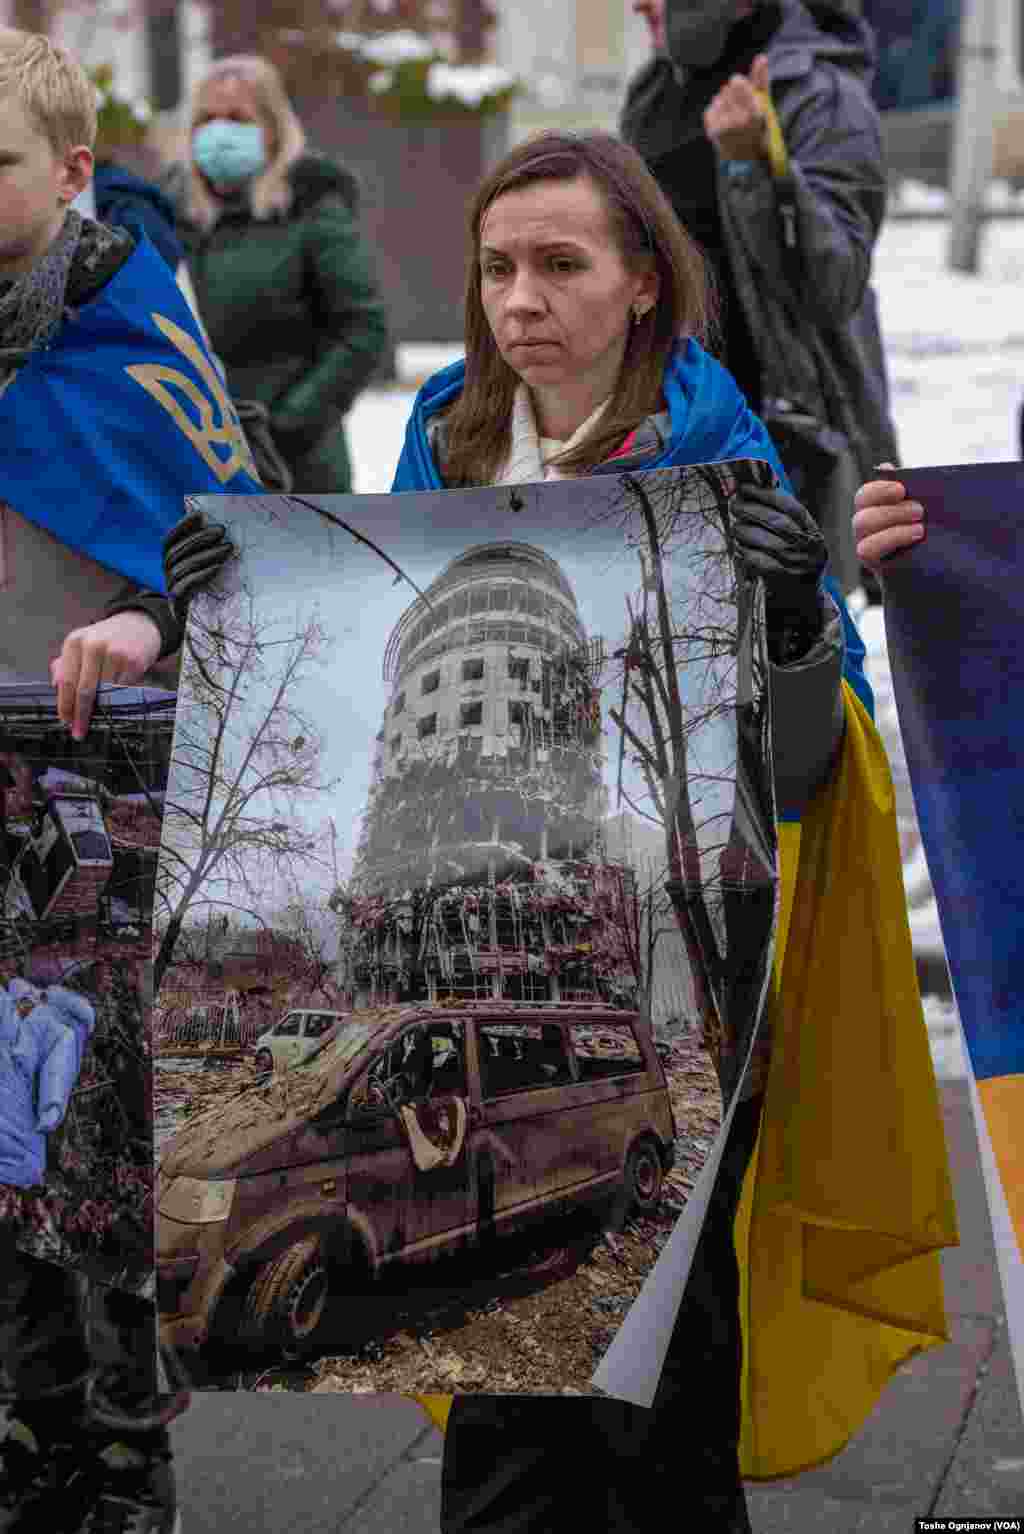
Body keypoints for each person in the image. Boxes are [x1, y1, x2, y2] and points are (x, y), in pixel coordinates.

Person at [0, 25, 263, 1533]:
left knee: (89, 1138)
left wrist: (147, 618)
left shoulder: (132, 325)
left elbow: (233, 547)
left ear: (73, 172)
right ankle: (26, 1430)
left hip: (103, 790)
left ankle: (120, 1448)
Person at [621, 0, 899, 599]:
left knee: (786, 670)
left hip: (776, 458)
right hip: (663, 444)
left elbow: (835, 285)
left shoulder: (821, 95)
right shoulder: (653, 90)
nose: (637, 5)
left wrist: (755, 167)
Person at [163, 53, 389, 494]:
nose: (218, 132)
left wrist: (286, 425)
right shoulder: (169, 215)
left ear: (271, 130)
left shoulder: (313, 207)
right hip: (195, 460)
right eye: (205, 119)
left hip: (297, 467)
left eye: (236, 118)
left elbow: (361, 329)